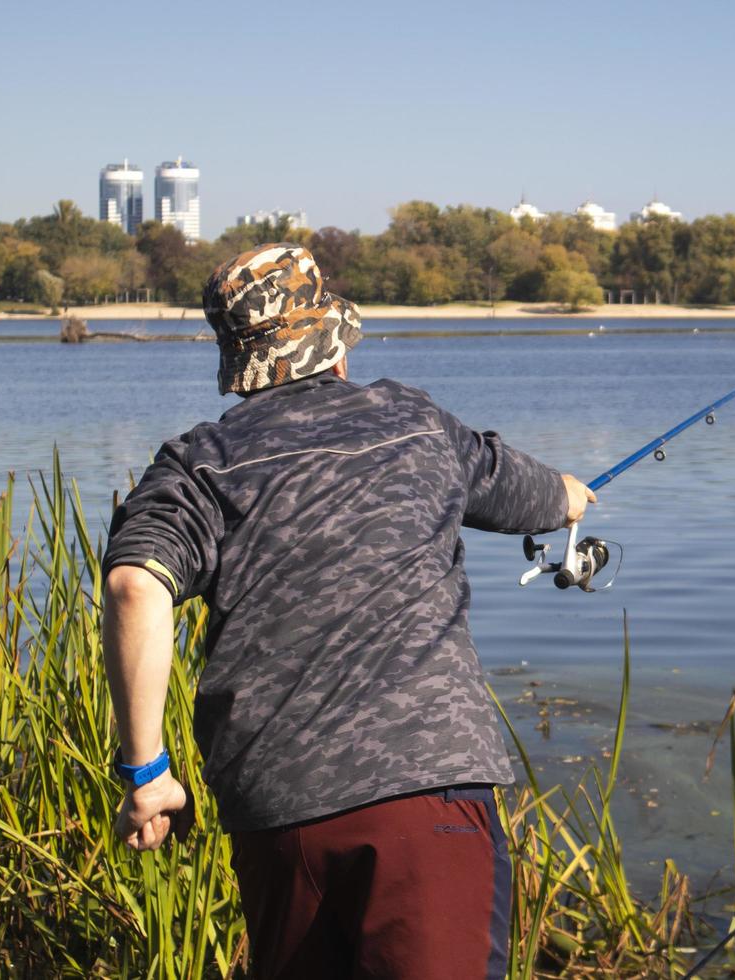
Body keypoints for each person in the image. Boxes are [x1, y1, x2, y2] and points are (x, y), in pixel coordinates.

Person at [100, 242, 595, 979]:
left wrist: (148, 774)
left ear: (238, 360)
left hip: (277, 810)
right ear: (335, 342)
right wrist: (573, 496)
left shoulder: (200, 462)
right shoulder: (420, 424)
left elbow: (134, 585)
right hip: (425, 790)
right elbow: (546, 497)